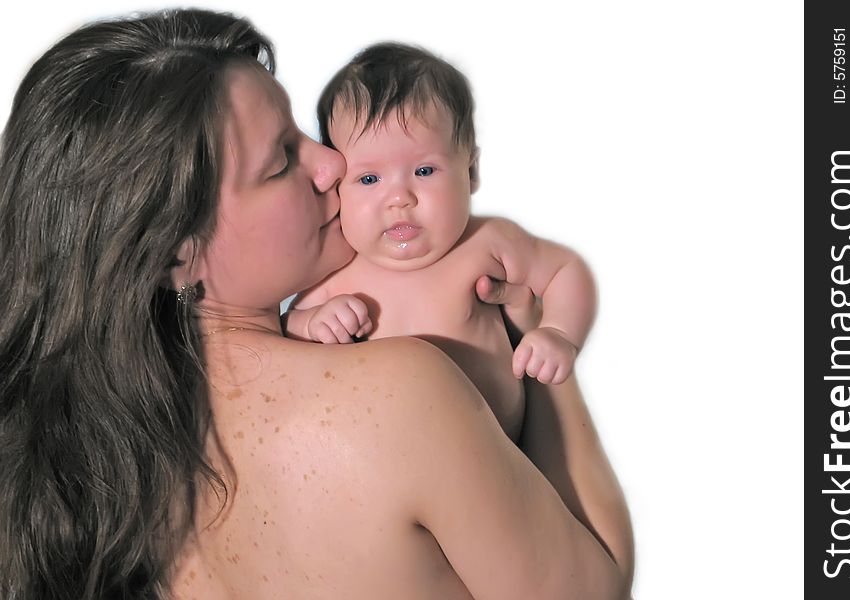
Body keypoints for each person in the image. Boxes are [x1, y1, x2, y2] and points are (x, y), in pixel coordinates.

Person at [0, 9, 632, 600]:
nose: (333, 163)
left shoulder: (107, 465)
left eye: (305, 133)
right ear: (176, 255)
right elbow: (595, 588)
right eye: (282, 160)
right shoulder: (403, 390)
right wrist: (532, 339)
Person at [285, 43, 595, 442]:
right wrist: (310, 323)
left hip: (498, 457)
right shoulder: (338, 268)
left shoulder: (486, 242)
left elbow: (566, 271)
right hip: (383, 462)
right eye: (368, 179)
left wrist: (559, 332)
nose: (400, 197)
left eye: (424, 170)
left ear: (471, 171)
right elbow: (284, 334)